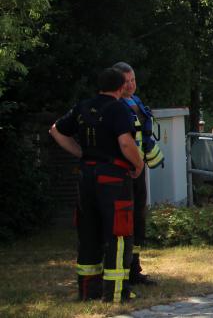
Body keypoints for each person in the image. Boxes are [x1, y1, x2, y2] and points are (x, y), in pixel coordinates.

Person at [49, 68, 143, 302]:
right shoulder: (119, 109)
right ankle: (116, 293)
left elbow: (56, 131)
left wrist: (81, 153)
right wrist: (138, 165)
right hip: (113, 178)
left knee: (88, 232)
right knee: (119, 234)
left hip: (86, 177)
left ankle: (88, 291)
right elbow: (125, 143)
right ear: (121, 87)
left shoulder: (83, 107)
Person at [112, 62, 164, 286]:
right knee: (124, 219)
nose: (131, 85)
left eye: (133, 79)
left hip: (138, 168)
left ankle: (135, 267)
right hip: (124, 170)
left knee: (138, 219)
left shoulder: (136, 101)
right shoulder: (114, 105)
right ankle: (124, 269)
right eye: (127, 81)